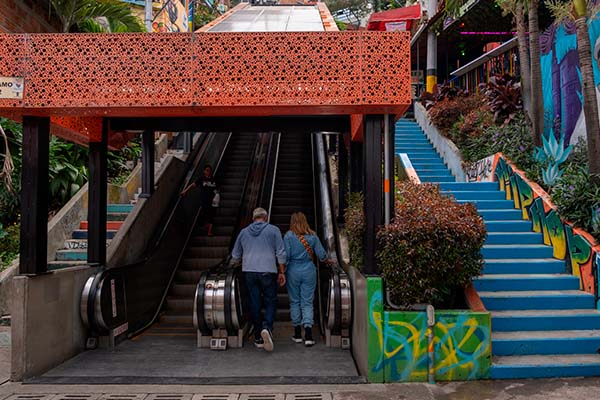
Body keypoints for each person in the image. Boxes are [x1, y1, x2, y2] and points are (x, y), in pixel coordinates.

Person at [231, 207, 286, 352]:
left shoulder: (243, 232)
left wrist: (233, 265)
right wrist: (282, 272)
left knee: (254, 302)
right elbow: (280, 252)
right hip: (268, 271)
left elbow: (235, 255)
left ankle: (257, 336)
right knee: (270, 300)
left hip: (249, 271)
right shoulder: (274, 230)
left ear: (253, 218)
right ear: (266, 217)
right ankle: (267, 327)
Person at [283, 212, 328, 347]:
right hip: (309, 270)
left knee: (294, 301)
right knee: (307, 302)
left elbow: (286, 256)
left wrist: (282, 271)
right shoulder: (312, 235)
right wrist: (328, 260)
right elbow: (322, 255)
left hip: (293, 271)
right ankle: (308, 335)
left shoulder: (288, 236)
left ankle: (297, 334)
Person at [180, 164, 219, 236]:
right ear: (204, 171)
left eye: (210, 170)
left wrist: (217, 196)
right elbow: (193, 185)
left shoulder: (214, 179)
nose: (209, 172)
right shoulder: (201, 179)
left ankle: (209, 231)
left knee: (212, 215)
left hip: (213, 200)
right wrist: (185, 191)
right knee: (204, 214)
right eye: (207, 170)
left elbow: (217, 189)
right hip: (204, 200)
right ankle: (206, 225)